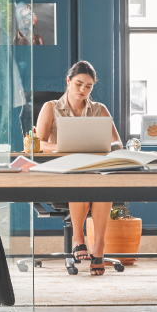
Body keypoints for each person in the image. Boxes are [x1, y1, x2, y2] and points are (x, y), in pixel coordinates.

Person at [34, 60, 122, 276]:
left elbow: (117, 143)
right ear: (68, 81)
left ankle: (98, 247)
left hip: (93, 169)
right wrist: (61, 148)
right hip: (63, 171)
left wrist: (103, 148)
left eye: (89, 86)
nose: (83, 90)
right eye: (79, 84)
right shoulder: (51, 107)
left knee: (100, 181)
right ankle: (78, 237)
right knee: (81, 177)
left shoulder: (99, 109)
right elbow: (37, 144)